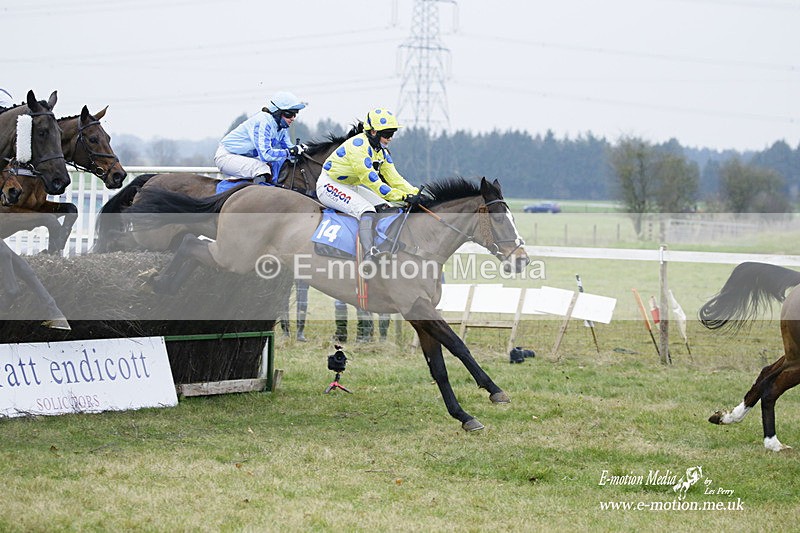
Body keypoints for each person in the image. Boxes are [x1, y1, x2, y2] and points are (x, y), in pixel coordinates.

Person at [316, 107, 419, 264]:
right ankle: (369, 255)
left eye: (392, 134)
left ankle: (383, 246)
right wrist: (402, 196)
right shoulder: (358, 148)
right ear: (373, 132)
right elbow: (374, 183)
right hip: (329, 185)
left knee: (386, 207)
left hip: (350, 186)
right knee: (367, 210)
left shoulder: (381, 152)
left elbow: (396, 179)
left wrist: (417, 194)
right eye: (387, 134)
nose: (390, 138)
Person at [214, 90, 307, 193]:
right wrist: (290, 152)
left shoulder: (282, 127)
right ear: (277, 112)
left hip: (244, 157)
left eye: (295, 114)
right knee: (261, 168)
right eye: (289, 114)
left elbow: (289, 149)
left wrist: (302, 151)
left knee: (276, 165)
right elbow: (266, 155)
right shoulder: (263, 122)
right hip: (226, 156)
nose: (293, 118)